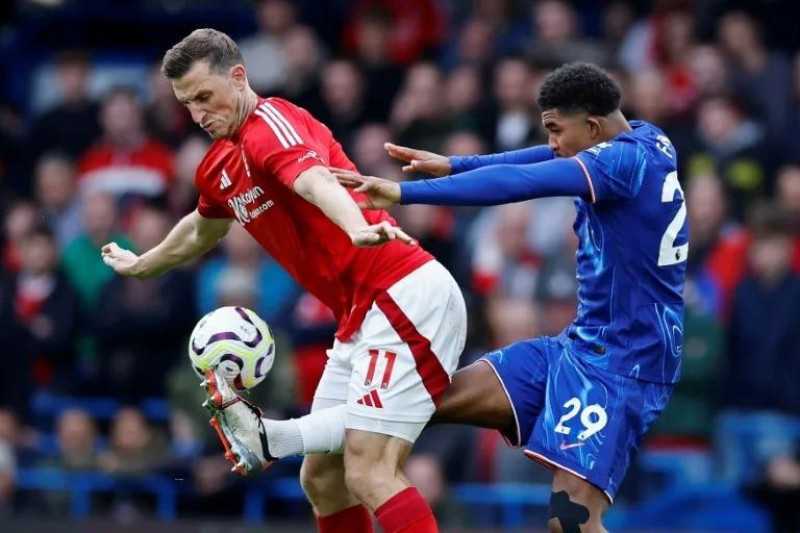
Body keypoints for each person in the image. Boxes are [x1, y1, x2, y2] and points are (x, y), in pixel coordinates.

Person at [213, 62, 689, 533]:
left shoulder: (622, 164)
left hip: (624, 367)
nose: (551, 143)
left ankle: (275, 437)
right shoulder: (644, 138)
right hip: (579, 345)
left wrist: (406, 193)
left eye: (555, 131)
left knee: (570, 523)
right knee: (418, 399)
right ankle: (274, 437)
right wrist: (459, 164)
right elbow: (536, 161)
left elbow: (524, 183)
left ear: (591, 126)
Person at [101, 28, 467, 533]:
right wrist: (146, 263)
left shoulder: (271, 125)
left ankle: (270, 436)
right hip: (360, 314)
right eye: (187, 104)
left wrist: (358, 225)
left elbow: (314, 181)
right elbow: (200, 229)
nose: (198, 114)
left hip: (402, 291)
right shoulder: (218, 166)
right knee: (322, 479)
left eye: (206, 97)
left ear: (239, 77)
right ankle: (272, 437)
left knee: (367, 466)